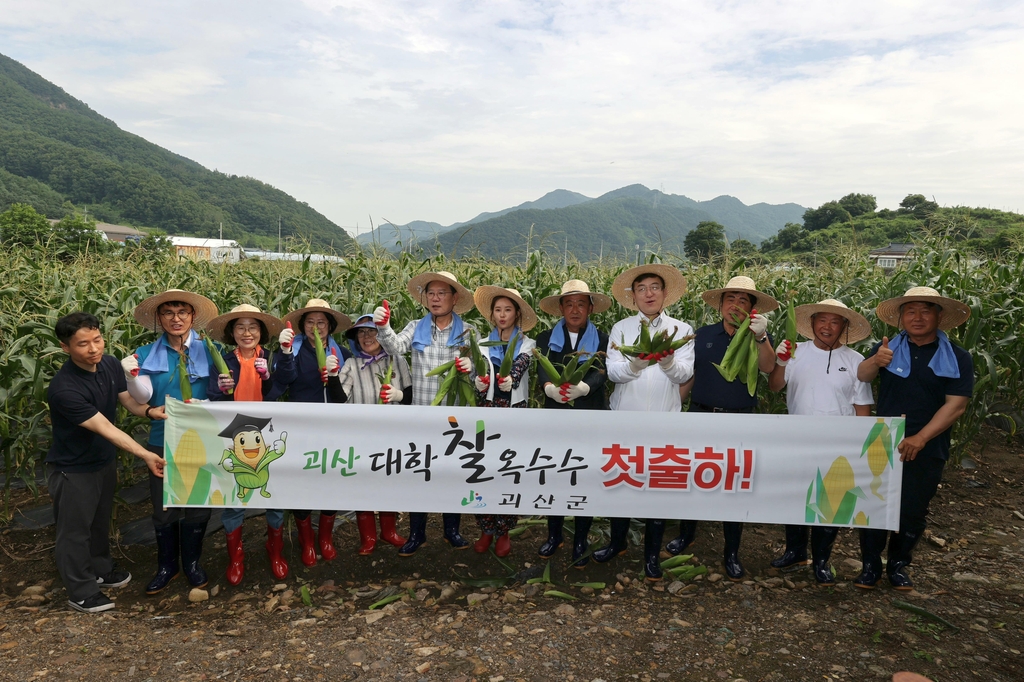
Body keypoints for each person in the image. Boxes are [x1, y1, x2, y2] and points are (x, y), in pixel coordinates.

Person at [853, 286, 973, 590]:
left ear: (939, 316)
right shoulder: (888, 348)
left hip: (929, 443)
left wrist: (921, 438)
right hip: (883, 439)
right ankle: (869, 566)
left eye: (925, 310)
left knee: (913, 507)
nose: (917, 317)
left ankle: (898, 565)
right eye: (910, 311)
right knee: (872, 503)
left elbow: (956, 405)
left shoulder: (957, 357)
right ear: (901, 317)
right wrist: (876, 361)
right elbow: (863, 376)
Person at [47, 313, 167, 613]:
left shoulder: (110, 364)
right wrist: (146, 454)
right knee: (74, 531)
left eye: (97, 340)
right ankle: (81, 591)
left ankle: (100, 570)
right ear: (65, 347)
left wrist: (151, 412)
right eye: (83, 344)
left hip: (103, 461)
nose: (93, 349)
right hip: (74, 468)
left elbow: (126, 400)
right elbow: (106, 428)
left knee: (99, 522)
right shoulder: (65, 389)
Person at [672, 276, 778, 581]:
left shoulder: (758, 337)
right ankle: (686, 535)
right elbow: (689, 376)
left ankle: (731, 552)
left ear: (752, 309)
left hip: (741, 420)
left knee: (735, 486)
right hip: (700, 417)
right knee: (691, 479)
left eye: (743, 300)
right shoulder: (702, 335)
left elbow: (769, 368)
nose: (735, 305)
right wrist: (674, 410)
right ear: (720, 305)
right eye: (730, 299)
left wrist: (761, 338)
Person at [767, 299, 874, 585]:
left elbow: (862, 406)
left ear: (844, 327)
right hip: (797, 438)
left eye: (835, 321)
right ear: (812, 323)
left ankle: (822, 560)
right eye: (822, 320)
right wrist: (779, 361)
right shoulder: (796, 353)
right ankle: (795, 551)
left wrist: (860, 448)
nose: (827, 327)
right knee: (796, 495)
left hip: (839, 443)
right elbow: (775, 385)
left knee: (833, 501)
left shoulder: (855, 362)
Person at [600, 264, 695, 581]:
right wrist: (635, 365)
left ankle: (652, 555)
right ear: (633, 295)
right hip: (625, 420)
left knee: (659, 486)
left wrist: (667, 361)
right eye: (642, 288)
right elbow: (613, 373)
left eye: (655, 287)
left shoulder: (682, 330)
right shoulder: (621, 329)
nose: (649, 293)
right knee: (620, 482)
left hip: (665, 423)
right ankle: (617, 543)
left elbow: (684, 374)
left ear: (665, 293)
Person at [122, 289, 219, 595]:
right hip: (162, 440)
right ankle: (167, 566)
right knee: (164, 507)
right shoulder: (144, 354)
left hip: (203, 439)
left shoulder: (210, 350)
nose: (176, 319)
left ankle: (192, 563)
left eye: (182, 313)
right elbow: (136, 396)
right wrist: (142, 397)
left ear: (192, 317)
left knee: (199, 504)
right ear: (159, 318)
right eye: (168, 313)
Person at [373, 270, 476, 555]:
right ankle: (417, 533)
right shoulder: (415, 326)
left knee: (451, 474)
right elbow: (394, 347)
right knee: (420, 473)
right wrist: (383, 326)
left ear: (454, 298)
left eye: (442, 293)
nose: (435, 298)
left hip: (454, 418)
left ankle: (451, 530)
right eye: (431, 293)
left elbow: (478, 371)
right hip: (421, 416)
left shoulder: (468, 332)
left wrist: (472, 367)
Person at [205, 304, 292, 585]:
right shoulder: (222, 360)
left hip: (266, 433)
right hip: (234, 435)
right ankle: (236, 557)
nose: (247, 333)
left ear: (261, 332)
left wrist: (268, 376)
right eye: (240, 327)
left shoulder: (271, 357)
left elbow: (282, 387)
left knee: (275, 494)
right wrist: (219, 390)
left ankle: (275, 551)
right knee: (235, 496)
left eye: (253, 327)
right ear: (232, 332)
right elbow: (213, 398)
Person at [534, 279, 611, 567]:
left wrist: (584, 388)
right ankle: (554, 535)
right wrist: (548, 388)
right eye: (569, 303)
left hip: (591, 416)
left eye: (581, 303)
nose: (575, 309)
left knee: (584, 477)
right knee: (555, 475)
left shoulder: (602, 339)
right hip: (555, 417)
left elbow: (604, 371)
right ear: (561, 308)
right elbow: (542, 368)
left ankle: (580, 538)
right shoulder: (545, 339)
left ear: (590, 307)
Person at [275, 298, 352, 567]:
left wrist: (332, 376)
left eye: (321, 322)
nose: (316, 327)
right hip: (301, 427)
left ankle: (325, 538)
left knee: (331, 480)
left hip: (333, 429)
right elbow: (282, 382)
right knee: (302, 481)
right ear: (301, 325)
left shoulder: (342, 352)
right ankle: (307, 541)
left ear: (330, 326)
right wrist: (284, 352)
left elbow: (343, 398)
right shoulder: (292, 351)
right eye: (310, 322)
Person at [471, 286, 538, 557]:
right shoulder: (483, 343)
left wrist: (512, 379)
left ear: (517, 313)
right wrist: (477, 382)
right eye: (497, 310)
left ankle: (504, 530)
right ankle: (486, 528)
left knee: (508, 472)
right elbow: (477, 371)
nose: (502, 315)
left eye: (507, 310)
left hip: (512, 414)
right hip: (486, 412)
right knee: (483, 472)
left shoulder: (527, 344)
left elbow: (519, 367)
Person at [339, 314, 412, 555]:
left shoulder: (397, 361)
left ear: (382, 335)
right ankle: (368, 537)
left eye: (372, 332)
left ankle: (389, 532)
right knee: (364, 484)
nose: (367, 337)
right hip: (360, 436)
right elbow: (339, 399)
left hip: (392, 435)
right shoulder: (351, 365)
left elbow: (411, 397)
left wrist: (399, 395)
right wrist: (329, 376)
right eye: (361, 333)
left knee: (389, 482)